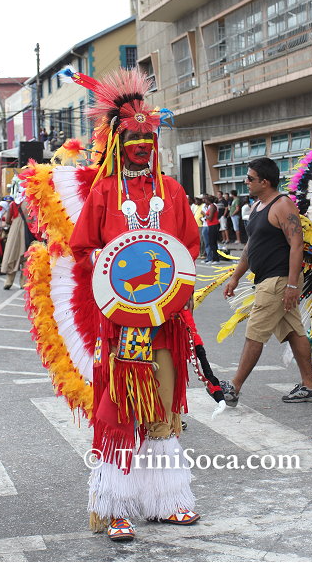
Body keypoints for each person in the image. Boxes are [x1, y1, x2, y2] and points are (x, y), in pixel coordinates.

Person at [66, 67, 201, 541]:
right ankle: (116, 507)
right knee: (121, 410)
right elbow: (82, 248)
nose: (142, 144)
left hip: (164, 320)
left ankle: (168, 500)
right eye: (133, 138)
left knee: (163, 408)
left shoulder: (173, 191)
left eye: (148, 137)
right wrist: (109, 268)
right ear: (118, 143)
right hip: (121, 324)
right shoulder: (104, 192)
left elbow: (188, 250)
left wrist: (174, 294)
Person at [221, 157, 312, 405]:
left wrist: (292, 285)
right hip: (267, 279)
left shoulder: (282, 205)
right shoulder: (258, 206)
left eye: (250, 178)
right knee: (293, 332)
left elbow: (296, 245)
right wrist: (235, 277)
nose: (246, 182)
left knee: (255, 332)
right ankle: (310, 385)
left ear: (265, 182)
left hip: (278, 280)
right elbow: (250, 247)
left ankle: (234, 387)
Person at [205, 195, 220, 263]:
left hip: (213, 225)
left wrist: (204, 215)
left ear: (208, 200)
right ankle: (213, 258)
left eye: (205, 200)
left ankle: (216, 259)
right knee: (211, 243)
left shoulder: (212, 206)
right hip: (211, 225)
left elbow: (210, 218)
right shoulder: (210, 206)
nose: (204, 201)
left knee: (213, 242)